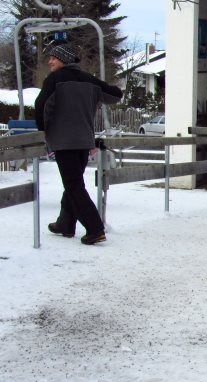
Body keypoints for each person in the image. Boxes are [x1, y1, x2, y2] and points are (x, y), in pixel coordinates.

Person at [35, 43, 123, 245]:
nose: (50, 61)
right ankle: (65, 224)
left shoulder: (54, 80)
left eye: (53, 58)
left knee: (73, 185)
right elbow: (115, 94)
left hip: (64, 141)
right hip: (84, 141)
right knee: (73, 183)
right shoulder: (89, 80)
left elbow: (41, 105)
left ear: (64, 60)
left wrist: (43, 131)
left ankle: (95, 228)